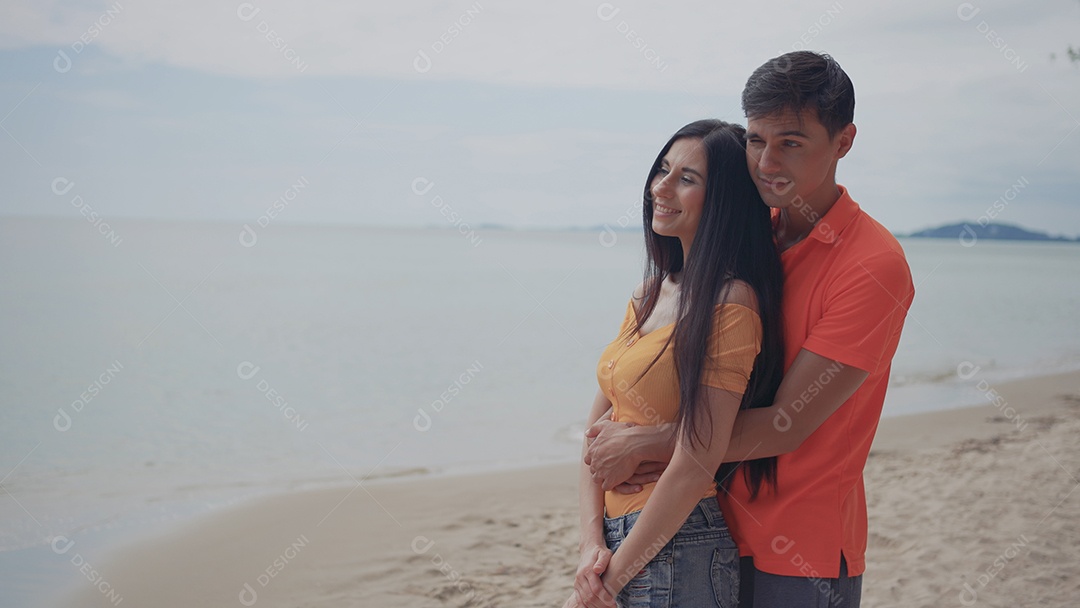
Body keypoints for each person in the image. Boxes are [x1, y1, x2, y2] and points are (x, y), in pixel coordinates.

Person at [583, 51, 915, 608]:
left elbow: (788, 423)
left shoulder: (872, 265)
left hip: (797, 546)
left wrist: (651, 441)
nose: (766, 161)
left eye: (791, 142)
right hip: (703, 523)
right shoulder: (749, 230)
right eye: (756, 141)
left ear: (844, 141)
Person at [563, 119, 785, 608]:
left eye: (687, 178)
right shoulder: (648, 293)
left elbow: (695, 461)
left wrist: (612, 581)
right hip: (615, 544)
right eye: (662, 170)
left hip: (679, 547)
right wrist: (589, 546)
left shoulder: (732, 304)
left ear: (723, 199)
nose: (660, 188)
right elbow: (595, 437)